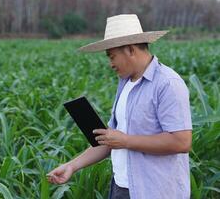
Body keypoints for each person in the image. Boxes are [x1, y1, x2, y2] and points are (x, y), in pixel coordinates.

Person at [47, 14, 192, 199]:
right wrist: (72, 166)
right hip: (121, 187)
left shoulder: (168, 83)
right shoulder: (125, 83)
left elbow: (181, 141)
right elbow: (111, 140)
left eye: (112, 56)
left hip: (156, 191)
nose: (110, 64)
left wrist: (125, 140)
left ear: (131, 50)